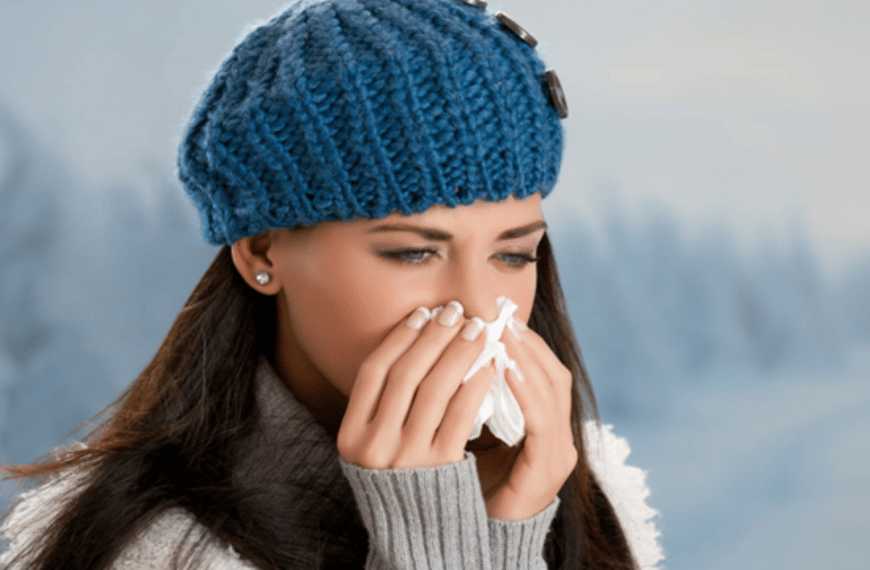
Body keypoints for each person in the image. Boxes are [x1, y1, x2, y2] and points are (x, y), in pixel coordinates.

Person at [0, 0, 663, 568]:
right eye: (411, 254)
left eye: (513, 256)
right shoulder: (157, 548)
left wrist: (512, 528)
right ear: (263, 252)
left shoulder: (578, 495)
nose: (478, 309)